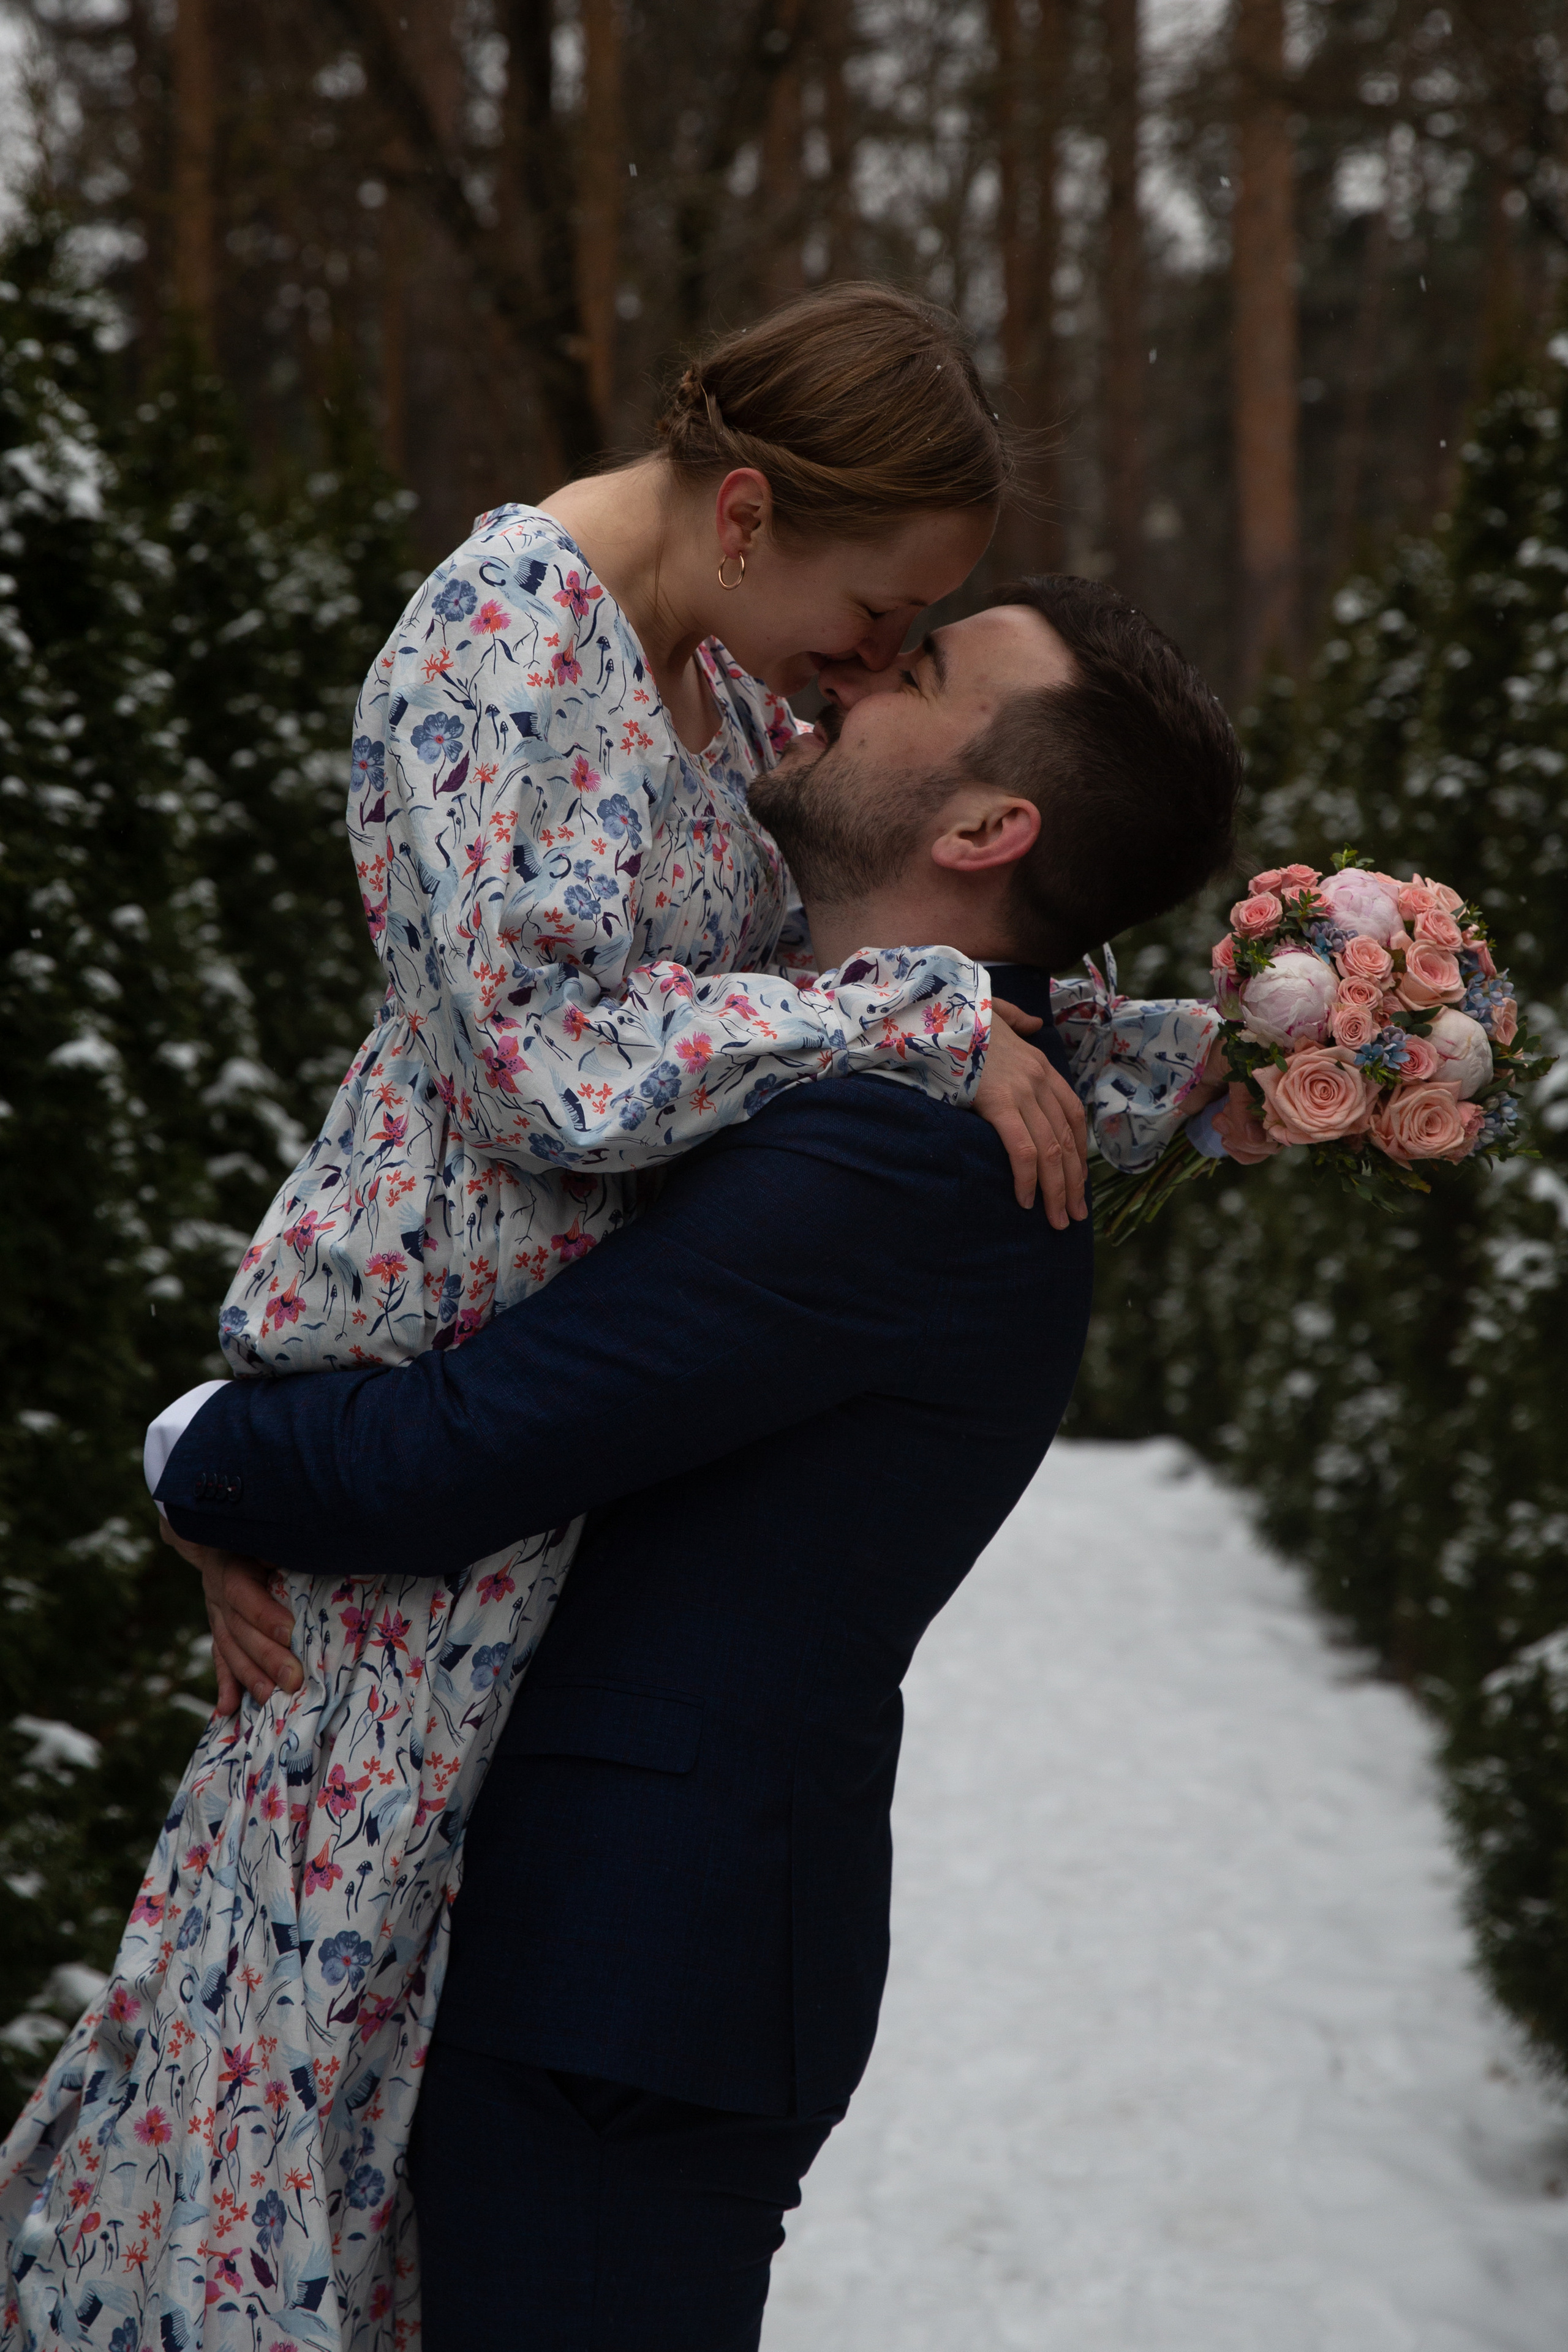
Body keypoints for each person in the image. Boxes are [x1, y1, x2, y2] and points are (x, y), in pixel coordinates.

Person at [0, 287, 1088, 2352]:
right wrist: (920, 1010)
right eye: (886, 608)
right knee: (297, 2047)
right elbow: (535, 1063)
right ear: (751, 512)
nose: (873, 665)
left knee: (408, 2039)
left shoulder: (726, 675)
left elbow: (819, 985)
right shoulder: (498, 650)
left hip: (537, 1421)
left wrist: (1222, 1049)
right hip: (427, 1383)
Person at [148, 579, 1242, 2349]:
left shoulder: (897, 1164)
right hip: (626, 1960)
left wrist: (207, 1446)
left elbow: (457, 1454)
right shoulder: (896, 1061)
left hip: (629, 1980)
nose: (868, 674)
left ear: (988, 826)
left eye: (929, 672)